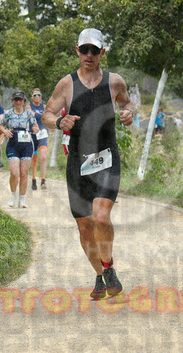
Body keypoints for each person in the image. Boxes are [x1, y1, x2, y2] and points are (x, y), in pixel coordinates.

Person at [41, 27, 134, 300]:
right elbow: (46, 114)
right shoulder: (66, 84)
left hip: (106, 158)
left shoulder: (114, 82)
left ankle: (109, 268)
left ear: (102, 52)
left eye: (94, 50)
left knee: (101, 217)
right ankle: (100, 276)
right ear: (77, 51)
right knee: (85, 227)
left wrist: (128, 114)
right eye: (84, 50)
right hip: (77, 164)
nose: (89, 55)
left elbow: (127, 104)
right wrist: (59, 121)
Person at [2, 91, 39, 208]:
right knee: (14, 173)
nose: (18, 102)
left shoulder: (29, 113)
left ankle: (22, 199)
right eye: (16, 99)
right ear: (13, 101)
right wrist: (5, 131)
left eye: (20, 100)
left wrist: (36, 129)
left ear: (24, 101)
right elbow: (1, 124)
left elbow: (35, 125)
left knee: (23, 174)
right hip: (13, 143)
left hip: (27, 144)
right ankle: (13, 195)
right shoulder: (8, 113)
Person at [27, 88, 49, 190]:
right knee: (34, 159)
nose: (37, 97)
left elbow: (48, 118)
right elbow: (26, 119)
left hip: (42, 133)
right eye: (35, 95)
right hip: (32, 134)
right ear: (32, 97)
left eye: (39, 95)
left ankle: (43, 181)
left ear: (41, 97)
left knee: (43, 156)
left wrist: (51, 126)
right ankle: (33, 178)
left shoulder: (44, 107)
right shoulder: (28, 107)